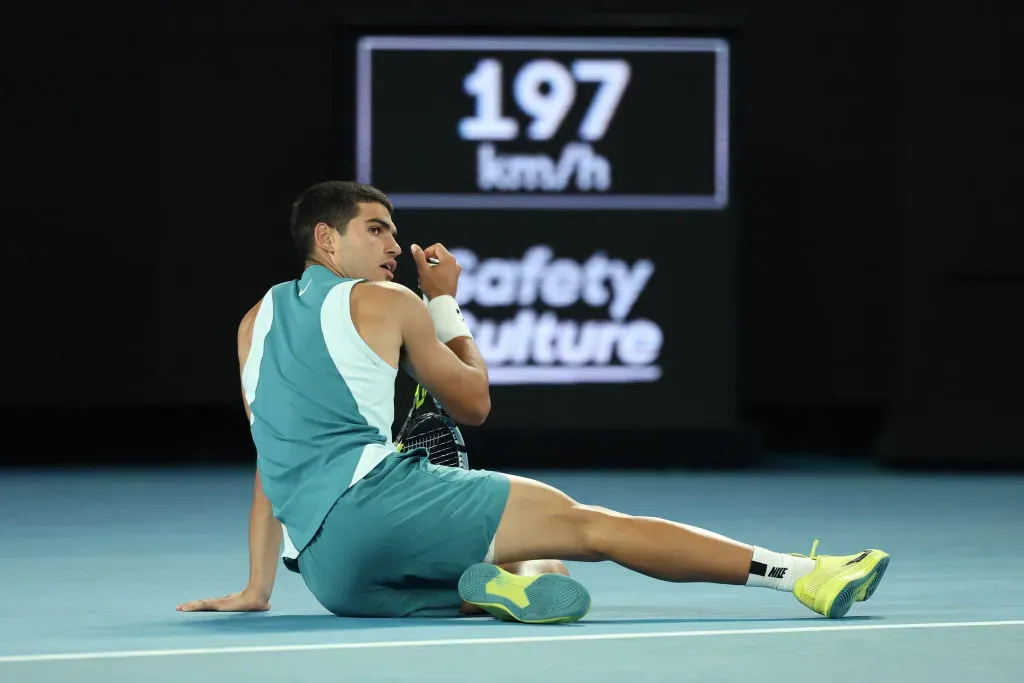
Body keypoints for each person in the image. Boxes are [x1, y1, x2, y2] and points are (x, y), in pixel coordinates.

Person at [176, 181, 889, 623]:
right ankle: (804, 573)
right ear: (326, 237)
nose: (395, 242)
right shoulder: (387, 300)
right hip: (378, 501)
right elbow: (475, 403)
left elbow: (271, 460)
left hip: (333, 575)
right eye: (377, 228)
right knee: (590, 525)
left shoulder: (253, 321)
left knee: (540, 566)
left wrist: (257, 586)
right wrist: (446, 300)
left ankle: (504, 585)